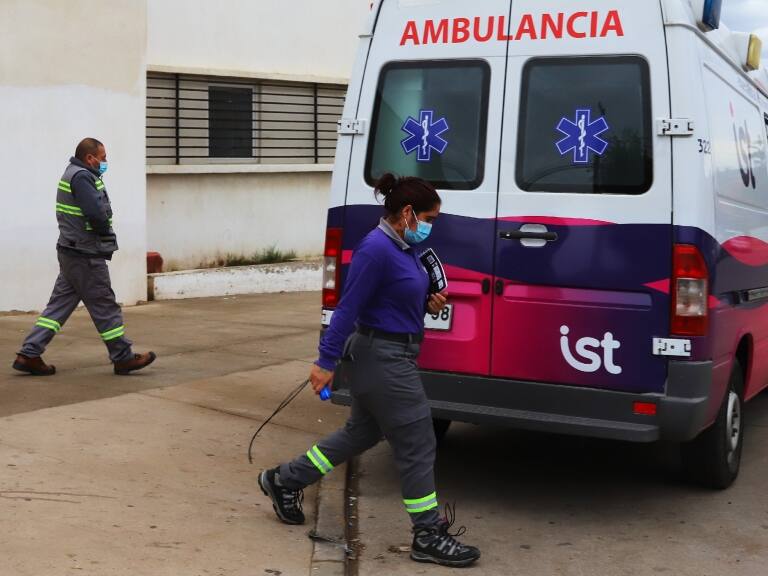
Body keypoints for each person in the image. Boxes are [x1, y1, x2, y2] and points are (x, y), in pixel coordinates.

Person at [258, 173, 480, 568]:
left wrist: (426, 303)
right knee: (418, 441)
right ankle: (427, 534)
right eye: (429, 218)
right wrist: (325, 362)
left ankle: (285, 479)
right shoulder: (376, 249)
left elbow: (392, 299)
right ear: (408, 213)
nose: (431, 226)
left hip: (394, 354)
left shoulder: (403, 248)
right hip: (382, 358)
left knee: (360, 433)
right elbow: (348, 308)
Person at [12, 138, 156, 376]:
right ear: (90, 158)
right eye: (103, 157)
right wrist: (105, 232)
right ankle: (123, 357)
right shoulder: (82, 177)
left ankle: (29, 354)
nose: (105, 161)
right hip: (85, 254)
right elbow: (96, 214)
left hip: (71, 252)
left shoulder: (73, 173)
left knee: (58, 307)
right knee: (104, 305)